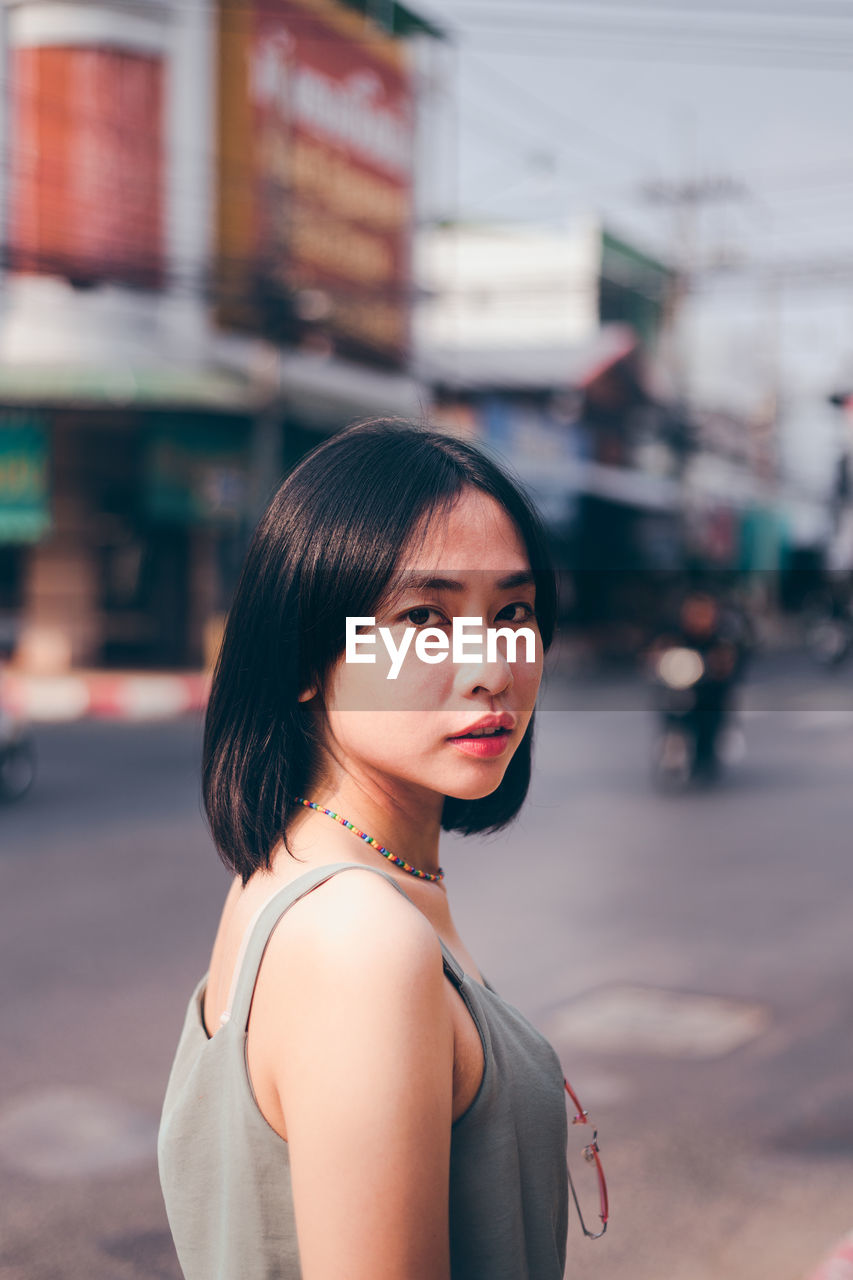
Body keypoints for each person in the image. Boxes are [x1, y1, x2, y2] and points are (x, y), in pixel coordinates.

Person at [157, 419, 582, 1279]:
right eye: (424, 615)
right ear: (307, 656)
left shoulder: (305, 874)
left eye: (512, 612)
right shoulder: (358, 940)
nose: (488, 667)